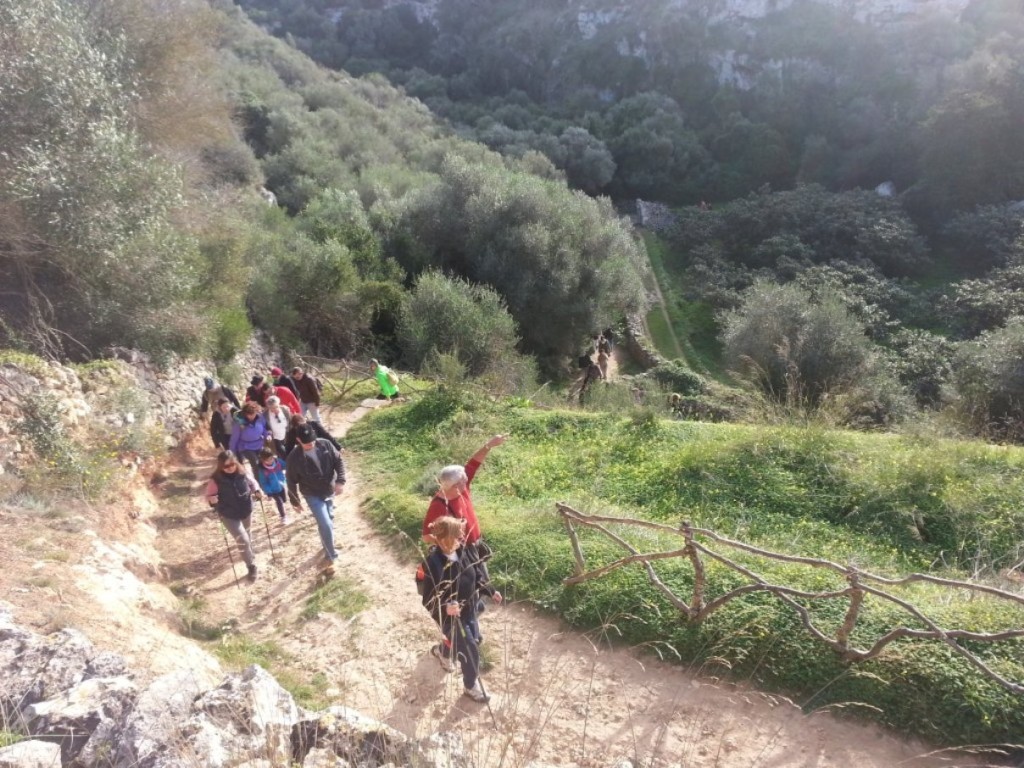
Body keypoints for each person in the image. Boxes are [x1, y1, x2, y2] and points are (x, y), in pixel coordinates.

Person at [421, 516, 500, 702]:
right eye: (458, 536)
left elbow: (478, 575)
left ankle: (443, 651)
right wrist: (445, 607)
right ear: (445, 539)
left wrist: (491, 590)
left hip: (470, 609)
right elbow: (427, 598)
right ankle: (471, 686)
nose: (463, 538)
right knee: (471, 649)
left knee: (473, 640)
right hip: (452, 618)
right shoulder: (432, 563)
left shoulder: (465, 551)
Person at [422, 435, 505, 581]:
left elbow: (473, 463)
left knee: (483, 583)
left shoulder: (461, 486)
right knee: (470, 587)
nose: (468, 480)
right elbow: (427, 536)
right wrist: (450, 542)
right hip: (460, 554)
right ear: (455, 485)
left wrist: (489, 445)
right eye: (464, 480)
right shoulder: (439, 506)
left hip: (475, 547)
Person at [287, 423, 346, 574]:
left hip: (329, 488)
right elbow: (291, 481)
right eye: (307, 443)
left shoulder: (325, 444)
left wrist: (340, 481)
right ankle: (331, 556)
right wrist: (295, 501)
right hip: (311, 493)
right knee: (325, 523)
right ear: (298, 440)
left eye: (312, 440)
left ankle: (327, 542)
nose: (311, 444)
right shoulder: (294, 458)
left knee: (329, 519)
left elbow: (338, 461)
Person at [204, 450, 260, 582]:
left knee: (247, 533)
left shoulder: (243, 472)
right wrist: (212, 500)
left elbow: (253, 483)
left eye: (232, 464)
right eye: (226, 466)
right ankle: (251, 566)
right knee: (243, 540)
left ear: (236, 463)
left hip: (246, 508)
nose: (230, 468)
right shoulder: (215, 480)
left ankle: (249, 554)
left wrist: (257, 491)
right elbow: (208, 496)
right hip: (228, 514)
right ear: (220, 466)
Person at [229, 402, 270, 477]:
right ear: (245, 414)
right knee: (255, 462)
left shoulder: (260, 418)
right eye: (249, 415)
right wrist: (232, 451)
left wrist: (267, 435)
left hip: (259, 444)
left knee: (264, 461)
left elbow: (263, 428)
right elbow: (234, 438)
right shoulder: (239, 423)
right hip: (245, 446)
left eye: (253, 414)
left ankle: (266, 477)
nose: (251, 416)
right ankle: (258, 481)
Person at [256, 447, 289, 524]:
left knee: (284, 500)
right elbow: (263, 482)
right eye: (267, 460)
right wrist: (269, 492)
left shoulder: (278, 462)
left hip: (281, 485)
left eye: (271, 458)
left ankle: (282, 509)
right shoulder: (262, 470)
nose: (270, 461)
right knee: (279, 502)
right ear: (262, 460)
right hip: (272, 490)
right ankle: (283, 516)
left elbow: (286, 465)